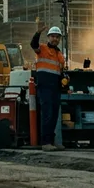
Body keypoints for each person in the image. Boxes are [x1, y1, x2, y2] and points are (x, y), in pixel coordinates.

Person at [30, 20, 66, 151]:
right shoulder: (42, 49)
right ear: (48, 37)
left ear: (59, 39)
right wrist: (38, 32)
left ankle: (51, 140)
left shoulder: (60, 55)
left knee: (54, 115)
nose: (55, 39)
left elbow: (61, 73)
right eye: (53, 36)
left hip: (55, 88)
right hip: (45, 87)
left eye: (57, 37)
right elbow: (33, 44)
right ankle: (45, 142)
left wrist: (65, 83)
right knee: (47, 114)